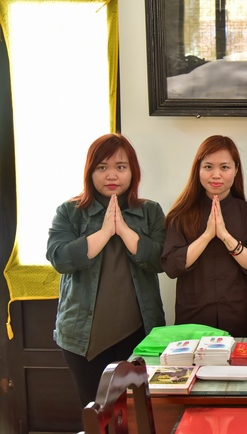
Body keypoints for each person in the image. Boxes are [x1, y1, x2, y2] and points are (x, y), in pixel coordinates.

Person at [46, 133, 166, 406]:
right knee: (96, 411)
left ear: (132, 171)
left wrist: (123, 230)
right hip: (82, 336)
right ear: (90, 172)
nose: (111, 175)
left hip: (139, 333)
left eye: (120, 167)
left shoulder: (150, 212)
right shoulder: (69, 212)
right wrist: (103, 233)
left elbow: (160, 261)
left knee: (136, 410)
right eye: (102, 167)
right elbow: (59, 258)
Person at [162, 135, 247, 337]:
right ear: (198, 169)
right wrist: (206, 236)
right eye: (208, 167)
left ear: (236, 170)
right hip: (193, 318)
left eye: (224, 167)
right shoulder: (181, 215)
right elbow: (172, 267)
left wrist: (226, 237)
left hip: (238, 315)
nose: (216, 175)